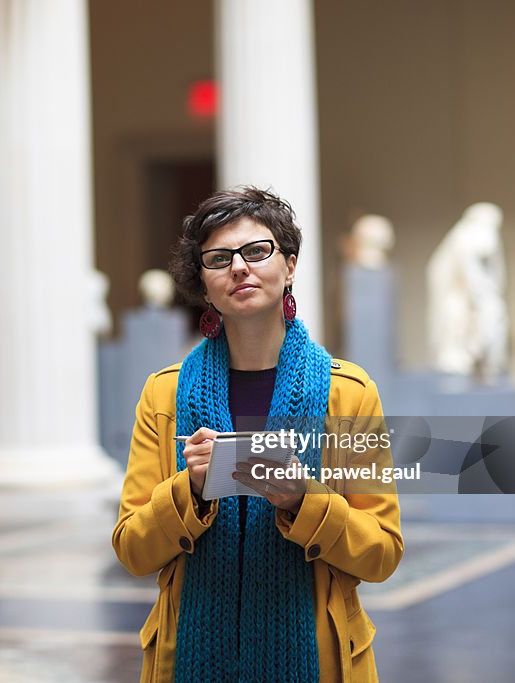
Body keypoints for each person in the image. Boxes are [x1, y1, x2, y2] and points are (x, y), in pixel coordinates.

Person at [112, 187, 403, 682]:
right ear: (204, 284)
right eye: (219, 258)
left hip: (319, 663)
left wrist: (303, 500)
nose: (240, 267)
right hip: (189, 661)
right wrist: (191, 490)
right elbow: (133, 549)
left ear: (289, 266)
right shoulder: (163, 396)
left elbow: (381, 553)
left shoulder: (349, 394)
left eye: (257, 251)